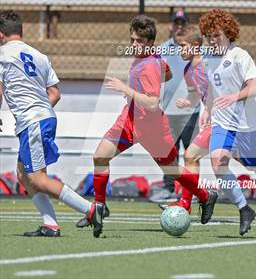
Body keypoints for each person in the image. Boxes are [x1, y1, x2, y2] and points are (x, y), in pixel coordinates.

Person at [160, 25, 256, 235]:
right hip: (219, 121)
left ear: (196, 46)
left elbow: (233, 87)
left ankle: (191, 201)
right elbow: (201, 94)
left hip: (237, 121)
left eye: (183, 46)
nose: (179, 50)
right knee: (199, 157)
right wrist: (193, 103)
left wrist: (217, 105)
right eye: (177, 46)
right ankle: (191, 202)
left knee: (253, 166)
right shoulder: (189, 70)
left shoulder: (215, 60)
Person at [76, 15, 217, 230]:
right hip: (130, 120)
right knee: (100, 156)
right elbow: (167, 74)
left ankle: (206, 196)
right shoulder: (152, 58)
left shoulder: (149, 64)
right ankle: (100, 208)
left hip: (152, 126)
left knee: (171, 170)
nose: (134, 44)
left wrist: (126, 89)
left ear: (150, 42)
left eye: (140, 41)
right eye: (132, 40)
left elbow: (152, 103)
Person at [0, 10, 104, 238]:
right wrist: (41, 111)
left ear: (1, 35)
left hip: (32, 121)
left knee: (36, 178)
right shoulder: (39, 55)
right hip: (43, 117)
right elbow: (55, 93)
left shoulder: (3, 55)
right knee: (24, 174)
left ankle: (90, 209)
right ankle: (50, 224)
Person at [199, 9, 256, 239]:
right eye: (208, 35)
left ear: (228, 34)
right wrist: (207, 110)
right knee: (218, 162)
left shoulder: (240, 56)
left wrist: (234, 96)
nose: (212, 40)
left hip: (249, 126)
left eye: (216, 35)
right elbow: (212, 88)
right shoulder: (208, 58)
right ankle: (244, 208)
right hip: (223, 123)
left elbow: (255, 87)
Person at [149, 11, 201, 203]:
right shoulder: (163, 49)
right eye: (176, 23)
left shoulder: (194, 52)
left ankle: (194, 191)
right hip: (168, 111)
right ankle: (168, 188)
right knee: (168, 153)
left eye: (182, 23)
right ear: (170, 25)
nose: (179, 26)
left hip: (190, 112)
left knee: (191, 154)